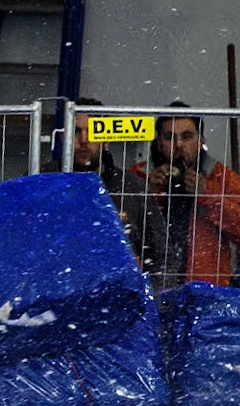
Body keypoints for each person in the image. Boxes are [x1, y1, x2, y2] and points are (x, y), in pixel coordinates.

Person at [128, 103, 240, 288]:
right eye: (169, 137)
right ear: (158, 142)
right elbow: (121, 231)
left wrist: (208, 195)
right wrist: (150, 192)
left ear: (200, 141)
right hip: (148, 288)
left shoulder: (221, 178)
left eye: (186, 137)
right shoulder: (137, 177)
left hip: (204, 292)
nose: (178, 145)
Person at [65, 97, 167, 285]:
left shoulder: (133, 189)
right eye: (76, 131)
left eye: (93, 131)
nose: (84, 140)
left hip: (118, 292)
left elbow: (159, 255)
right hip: (58, 293)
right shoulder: (43, 182)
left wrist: (154, 297)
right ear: (64, 136)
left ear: (107, 139)